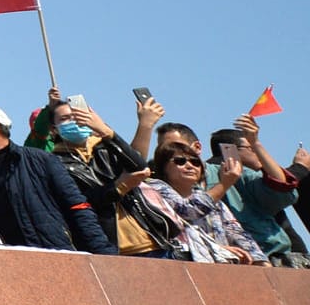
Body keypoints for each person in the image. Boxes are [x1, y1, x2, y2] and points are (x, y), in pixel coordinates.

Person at [0, 102, 116, 254]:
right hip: (10, 262)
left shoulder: (40, 160)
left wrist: (103, 252)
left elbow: (77, 207)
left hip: (56, 255)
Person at [46, 97, 180, 257]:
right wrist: (119, 187)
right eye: (65, 118)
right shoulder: (54, 162)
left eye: (78, 115)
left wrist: (107, 131)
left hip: (150, 241)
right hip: (109, 248)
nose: (74, 121)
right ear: (54, 129)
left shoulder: (105, 146)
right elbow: (80, 203)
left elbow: (139, 166)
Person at [165, 117, 299, 265]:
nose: (168, 152)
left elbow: (282, 189)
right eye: (163, 147)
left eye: (176, 146)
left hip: (268, 258)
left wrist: (256, 143)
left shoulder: (236, 174)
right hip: (213, 262)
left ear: (197, 148)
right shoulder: (159, 185)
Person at [145, 139, 261, 263]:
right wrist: (225, 183)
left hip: (219, 265)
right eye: (180, 161)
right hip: (179, 264)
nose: (189, 166)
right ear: (163, 167)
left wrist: (260, 259)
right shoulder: (156, 189)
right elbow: (188, 210)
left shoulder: (212, 199)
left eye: (195, 162)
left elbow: (234, 230)